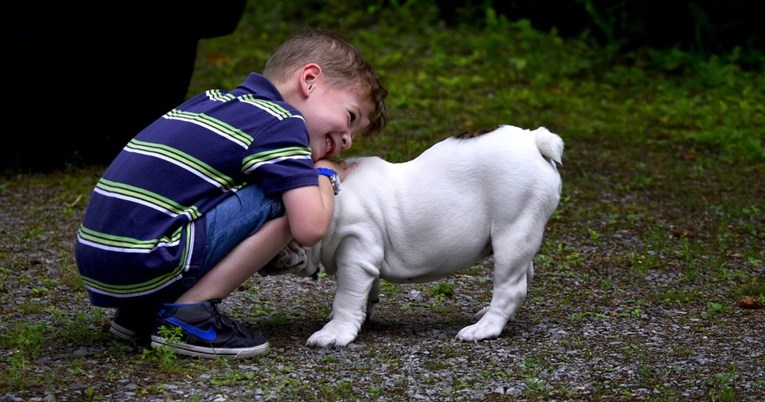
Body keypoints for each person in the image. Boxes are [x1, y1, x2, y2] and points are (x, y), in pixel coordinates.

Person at [74, 29, 388, 359]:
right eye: (350, 117)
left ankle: (140, 314)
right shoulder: (282, 123)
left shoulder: (210, 102)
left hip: (101, 261)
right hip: (147, 259)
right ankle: (189, 315)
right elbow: (309, 228)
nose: (348, 141)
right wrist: (323, 174)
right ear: (309, 80)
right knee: (285, 195)